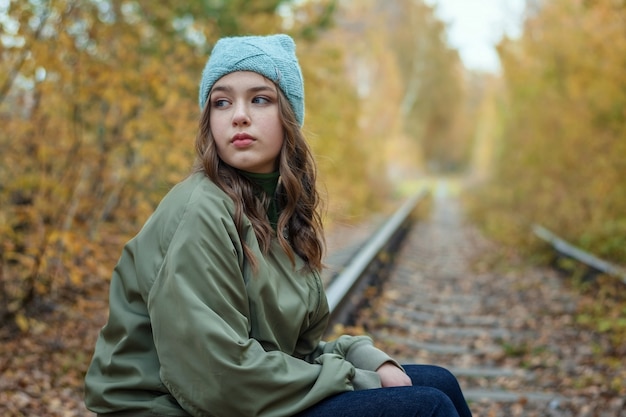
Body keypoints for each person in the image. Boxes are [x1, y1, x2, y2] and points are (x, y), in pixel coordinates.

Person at [84, 34, 473, 417]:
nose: (239, 114)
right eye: (222, 102)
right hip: (172, 407)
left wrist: (359, 355)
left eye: (259, 99)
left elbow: (291, 355)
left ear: (289, 115)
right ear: (209, 120)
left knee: (439, 382)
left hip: (232, 394)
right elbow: (220, 380)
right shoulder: (200, 210)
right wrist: (358, 379)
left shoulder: (274, 211)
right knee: (427, 408)